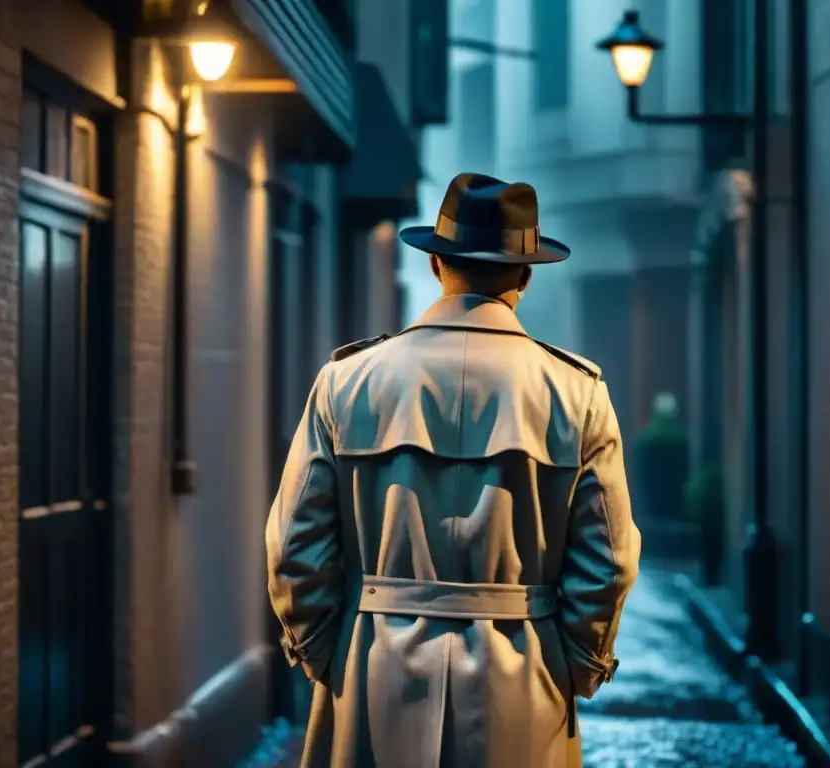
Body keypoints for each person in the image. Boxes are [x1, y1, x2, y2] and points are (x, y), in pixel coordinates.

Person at [266, 172, 641, 768]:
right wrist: (574, 666)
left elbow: (294, 546)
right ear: (526, 274)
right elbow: (610, 560)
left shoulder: (347, 381)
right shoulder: (577, 394)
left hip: (372, 669)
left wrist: (329, 655)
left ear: (438, 264)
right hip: (524, 676)